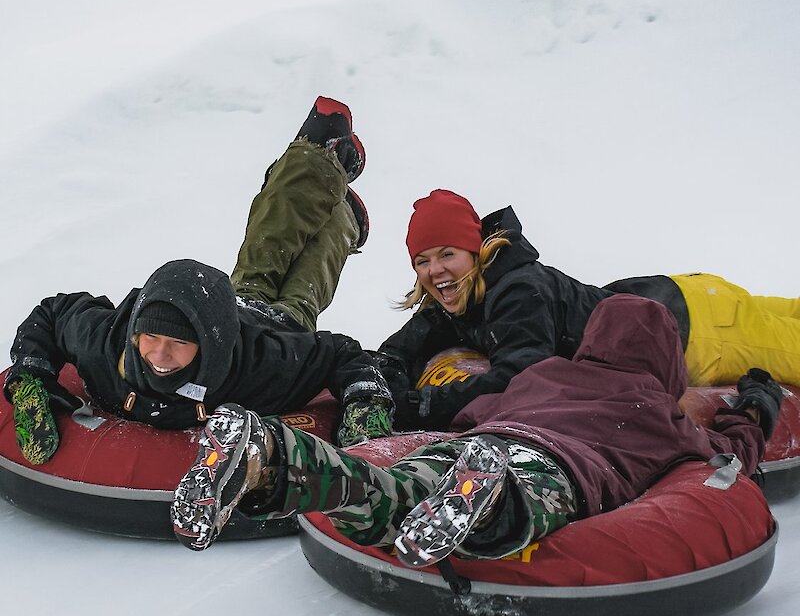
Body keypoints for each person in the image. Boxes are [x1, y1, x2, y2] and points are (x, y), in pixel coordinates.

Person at [169, 295, 782, 560]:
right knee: (519, 501)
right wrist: (754, 404)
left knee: (389, 491)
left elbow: (471, 414)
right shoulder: (659, 414)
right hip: (555, 467)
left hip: (485, 443)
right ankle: (490, 502)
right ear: (666, 360)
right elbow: (729, 455)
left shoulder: (545, 374)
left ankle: (272, 456)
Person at [4, 97, 395, 466]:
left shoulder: (263, 367)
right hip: (233, 304)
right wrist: (30, 379)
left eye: (177, 343)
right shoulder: (104, 348)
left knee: (273, 249)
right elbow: (53, 313)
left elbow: (340, 353)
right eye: (151, 338)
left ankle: (321, 151)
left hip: (276, 328)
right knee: (302, 271)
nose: (158, 355)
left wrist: (364, 401)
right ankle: (342, 213)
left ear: (207, 344)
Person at [373, 188, 800, 432]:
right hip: (676, 295)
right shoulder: (464, 296)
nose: (435, 271)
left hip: (702, 333)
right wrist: (383, 377)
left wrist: (423, 406)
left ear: (475, 251)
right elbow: (407, 342)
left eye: (446, 254)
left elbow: (521, 378)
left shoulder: (517, 290)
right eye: (422, 261)